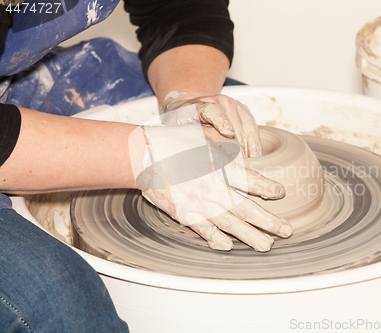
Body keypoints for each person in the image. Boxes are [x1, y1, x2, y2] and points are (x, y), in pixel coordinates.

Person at [0, 0, 292, 331]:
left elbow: (177, 9)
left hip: (16, 81)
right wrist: (144, 156)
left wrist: (184, 102)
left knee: (236, 118)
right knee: (63, 302)